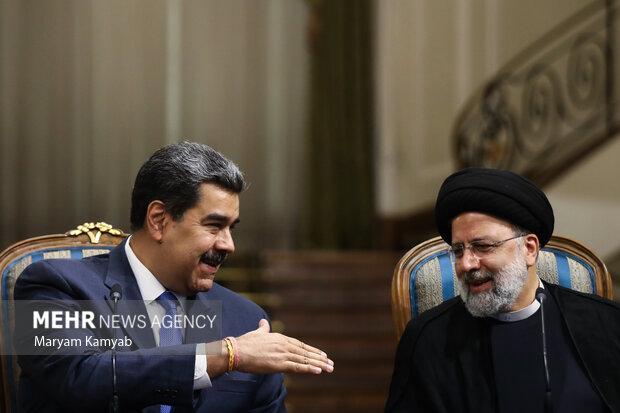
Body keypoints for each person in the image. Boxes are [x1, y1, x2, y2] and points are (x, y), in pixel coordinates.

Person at [15, 141, 334, 412]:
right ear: (159, 221)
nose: (228, 245)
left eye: (231, 228)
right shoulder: (55, 285)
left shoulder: (247, 320)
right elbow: (80, 376)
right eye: (214, 226)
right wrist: (226, 355)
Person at [385, 168, 620, 412]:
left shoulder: (606, 323)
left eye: (482, 246)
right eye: (458, 251)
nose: (466, 264)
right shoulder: (428, 340)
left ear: (529, 249)